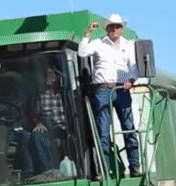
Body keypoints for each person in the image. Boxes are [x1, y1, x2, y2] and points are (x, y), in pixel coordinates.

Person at [78, 13, 142, 177]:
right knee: (103, 132)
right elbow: (82, 52)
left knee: (129, 129)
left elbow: (134, 67)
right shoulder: (98, 43)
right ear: (107, 29)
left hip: (122, 89)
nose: (114, 29)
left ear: (121, 29)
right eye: (111, 26)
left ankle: (135, 167)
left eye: (117, 26)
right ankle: (104, 171)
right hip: (103, 89)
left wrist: (131, 81)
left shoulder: (128, 45)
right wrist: (87, 33)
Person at [32, 67, 66, 167]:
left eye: (52, 75)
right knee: (37, 136)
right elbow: (34, 114)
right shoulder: (40, 96)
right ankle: (47, 169)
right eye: (48, 75)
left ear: (58, 78)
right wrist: (38, 124)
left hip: (64, 129)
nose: (49, 78)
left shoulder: (65, 95)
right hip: (48, 129)